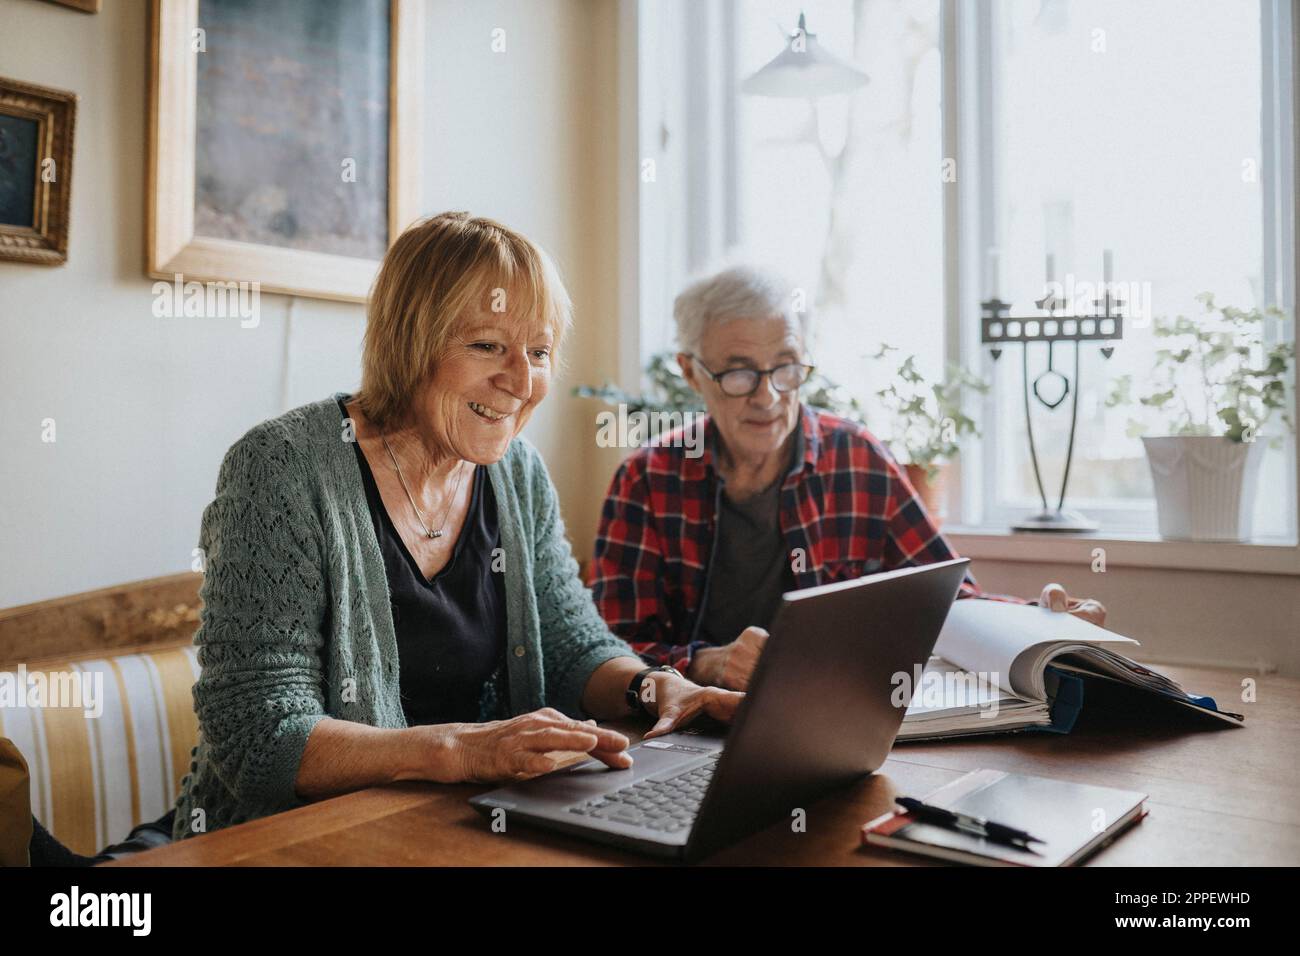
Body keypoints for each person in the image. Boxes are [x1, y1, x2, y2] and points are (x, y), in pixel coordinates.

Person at [170, 212, 741, 841]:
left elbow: (569, 644)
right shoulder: (283, 467)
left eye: (540, 352)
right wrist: (458, 751)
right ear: (409, 342)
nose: (522, 382)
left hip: (452, 830)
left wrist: (652, 688)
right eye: (487, 345)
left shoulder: (517, 473)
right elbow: (258, 736)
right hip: (289, 840)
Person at [589, 265, 1106, 691]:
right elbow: (607, 649)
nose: (768, 397)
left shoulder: (855, 457)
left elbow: (947, 602)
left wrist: (1041, 623)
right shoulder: (646, 480)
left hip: (833, 717)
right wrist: (703, 664)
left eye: (786, 367)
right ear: (690, 371)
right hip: (687, 731)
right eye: (740, 373)